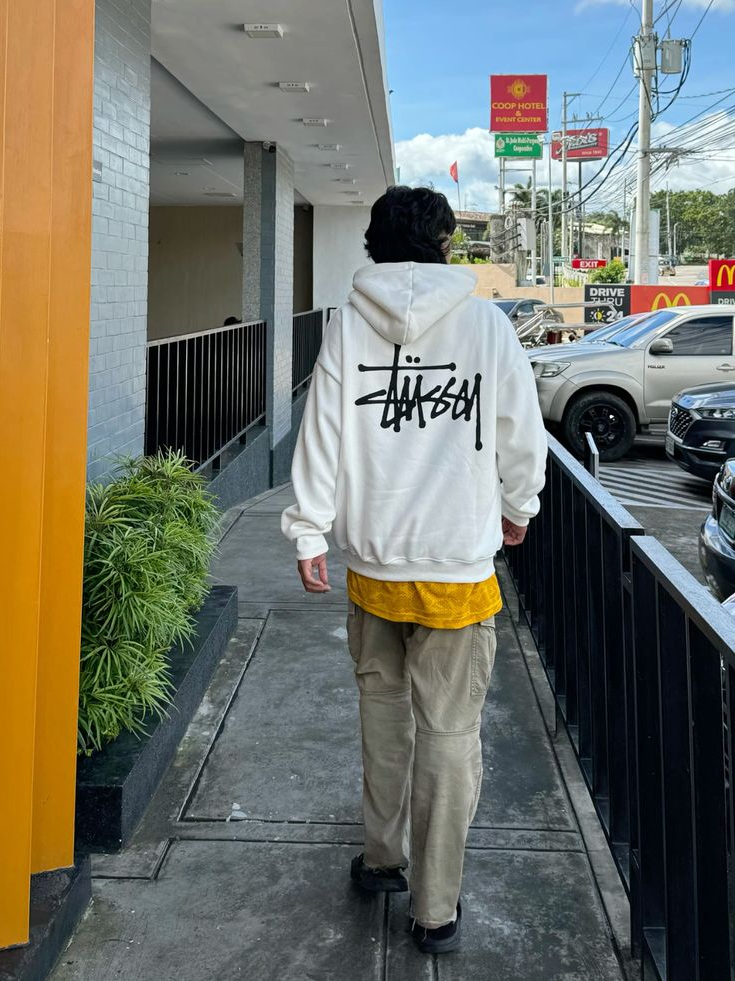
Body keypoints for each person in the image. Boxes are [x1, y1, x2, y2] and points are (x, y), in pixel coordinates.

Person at [281, 185, 547, 954]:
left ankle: (382, 857)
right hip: (458, 570)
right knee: (450, 732)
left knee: (384, 716)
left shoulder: (347, 324)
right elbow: (520, 433)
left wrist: (309, 531)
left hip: (374, 565)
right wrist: (519, 506)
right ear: (444, 243)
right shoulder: (486, 325)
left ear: (373, 243)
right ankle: (435, 907)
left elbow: (322, 431)